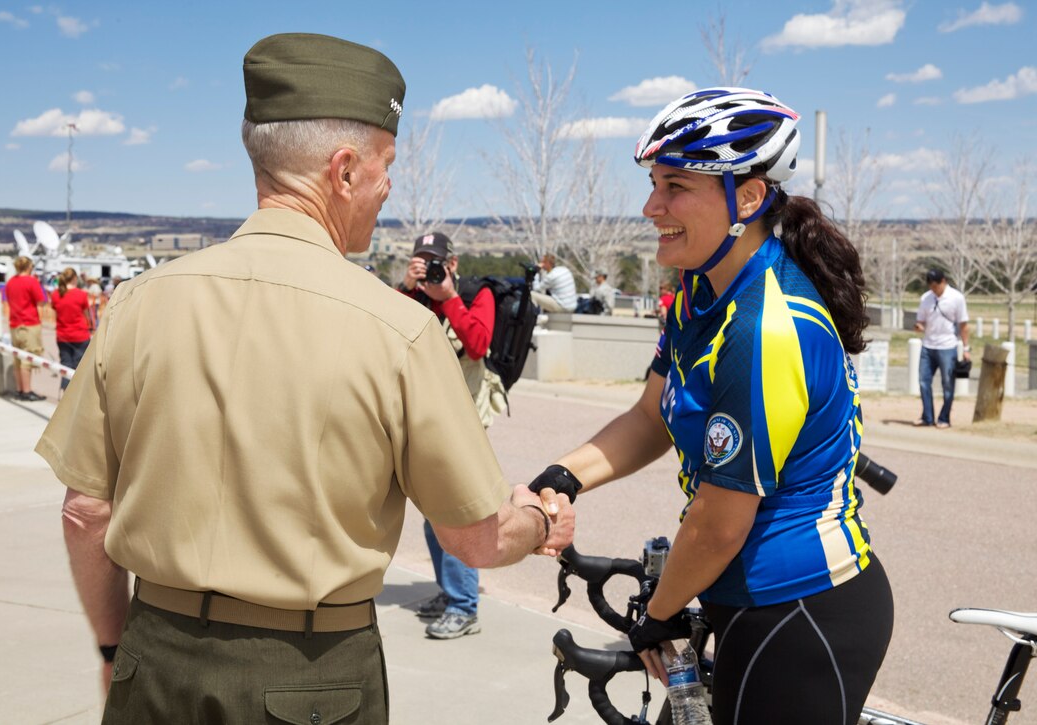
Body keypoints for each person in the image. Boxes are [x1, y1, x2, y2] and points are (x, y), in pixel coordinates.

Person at [34, 33, 573, 724]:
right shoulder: (399, 331)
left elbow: (86, 512)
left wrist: (114, 648)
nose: (388, 189)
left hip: (154, 663)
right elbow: (478, 538)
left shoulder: (137, 304)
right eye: (386, 167)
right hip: (314, 680)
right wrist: (540, 518)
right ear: (344, 171)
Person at [528, 87, 892, 725]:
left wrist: (658, 616)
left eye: (676, 186)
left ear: (746, 198)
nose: (651, 206)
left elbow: (720, 523)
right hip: (739, 595)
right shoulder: (697, 290)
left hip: (801, 607)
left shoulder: (764, 328)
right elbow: (650, 417)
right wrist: (562, 478)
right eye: (652, 182)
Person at [398, 231, 507, 639]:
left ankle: (464, 606)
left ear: (453, 263)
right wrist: (408, 290)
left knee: (458, 511)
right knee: (432, 514)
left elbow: (478, 345)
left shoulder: (478, 294)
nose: (430, 268)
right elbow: (386, 338)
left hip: (466, 421)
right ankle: (451, 593)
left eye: (436, 261)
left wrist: (448, 297)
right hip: (430, 417)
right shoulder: (414, 298)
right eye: (421, 261)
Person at [914, 268, 969, 429]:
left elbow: (964, 325)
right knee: (924, 382)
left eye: (935, 284)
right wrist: (919, 326)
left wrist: (966, 348)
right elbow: (921, 321)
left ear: (943, 281)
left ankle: (944, 418)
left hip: (948, 346)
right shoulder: (926, 298)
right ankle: (927, 417)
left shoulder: (957, 298)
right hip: (928, 345)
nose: (933, 288)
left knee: (947, 384)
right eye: (930, 285)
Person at [5, 256, 47, 402]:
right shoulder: (31, 281)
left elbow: (8, 302)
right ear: (29, 267)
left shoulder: (10, 282)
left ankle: (20, 389)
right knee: (27, 359)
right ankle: (27, 391)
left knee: (17, 358)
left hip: (14, 324)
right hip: (29, 324)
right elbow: (40, 303)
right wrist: (39, 322)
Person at [50, 268, 92, 392]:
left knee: (65, 365)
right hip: (80, 335)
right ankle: (77, 395)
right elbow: (87, 315)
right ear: (75, 278)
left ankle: (65, 393)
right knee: (79, 367)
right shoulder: (81, 294)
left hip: (63, 335)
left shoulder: (56, 294)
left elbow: (56, 313)